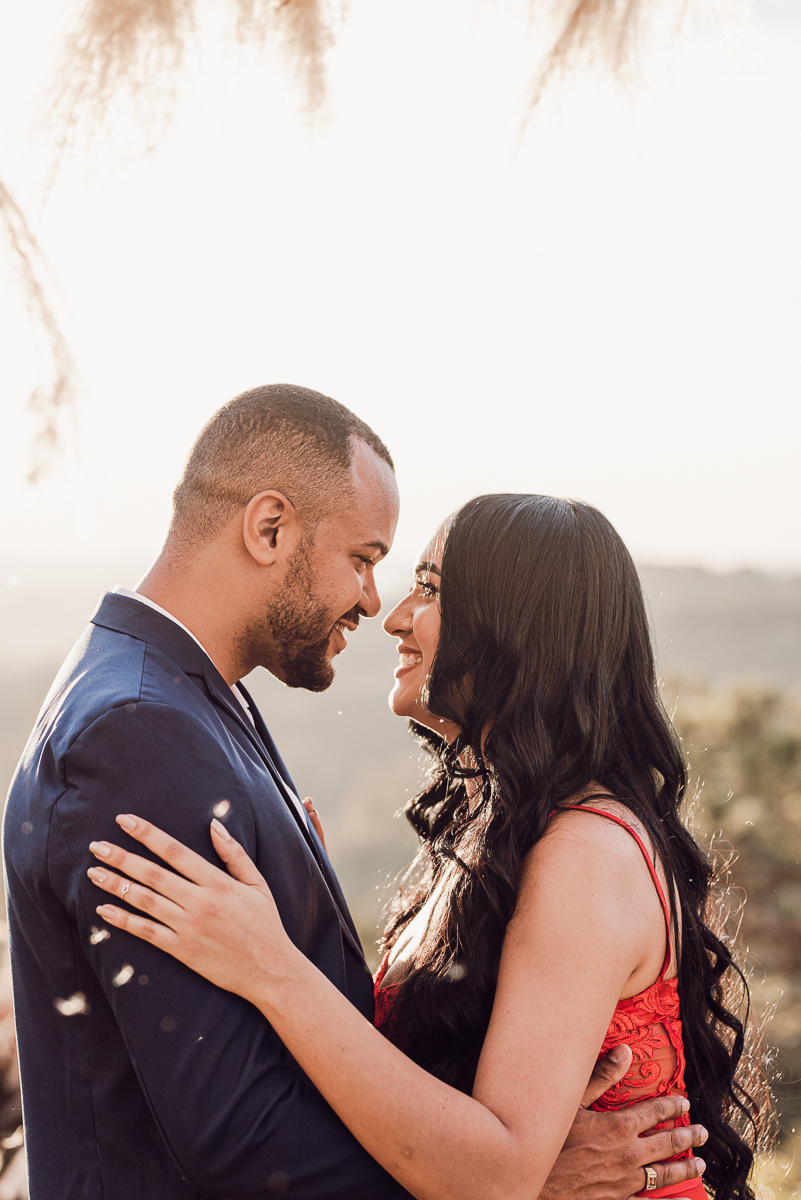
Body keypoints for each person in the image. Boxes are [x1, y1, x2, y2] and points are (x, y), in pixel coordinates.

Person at [2, 392, 703, 1200]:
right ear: (268, 528)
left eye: (424, 587)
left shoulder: (182, 702)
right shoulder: (140, 728)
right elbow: (239, 1135)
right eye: (366, 560)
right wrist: (517, 1183)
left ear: (516, 630)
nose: (382, 607)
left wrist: (281, 964)